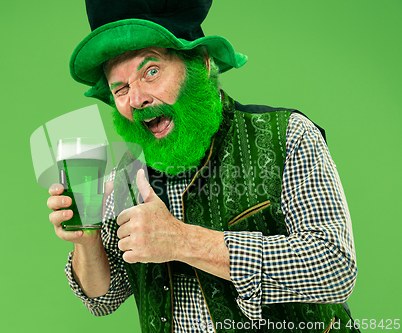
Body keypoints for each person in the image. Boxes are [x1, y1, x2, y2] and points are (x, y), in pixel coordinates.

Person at [47, 0, 358, 332]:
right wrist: (87, 240)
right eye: (120, 89)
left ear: (202, 63)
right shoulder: (125, 177)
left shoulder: (287, 136)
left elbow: (335, 268)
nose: (136, 99)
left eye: (151, 71)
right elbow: (103, 298)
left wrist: (181, 240)